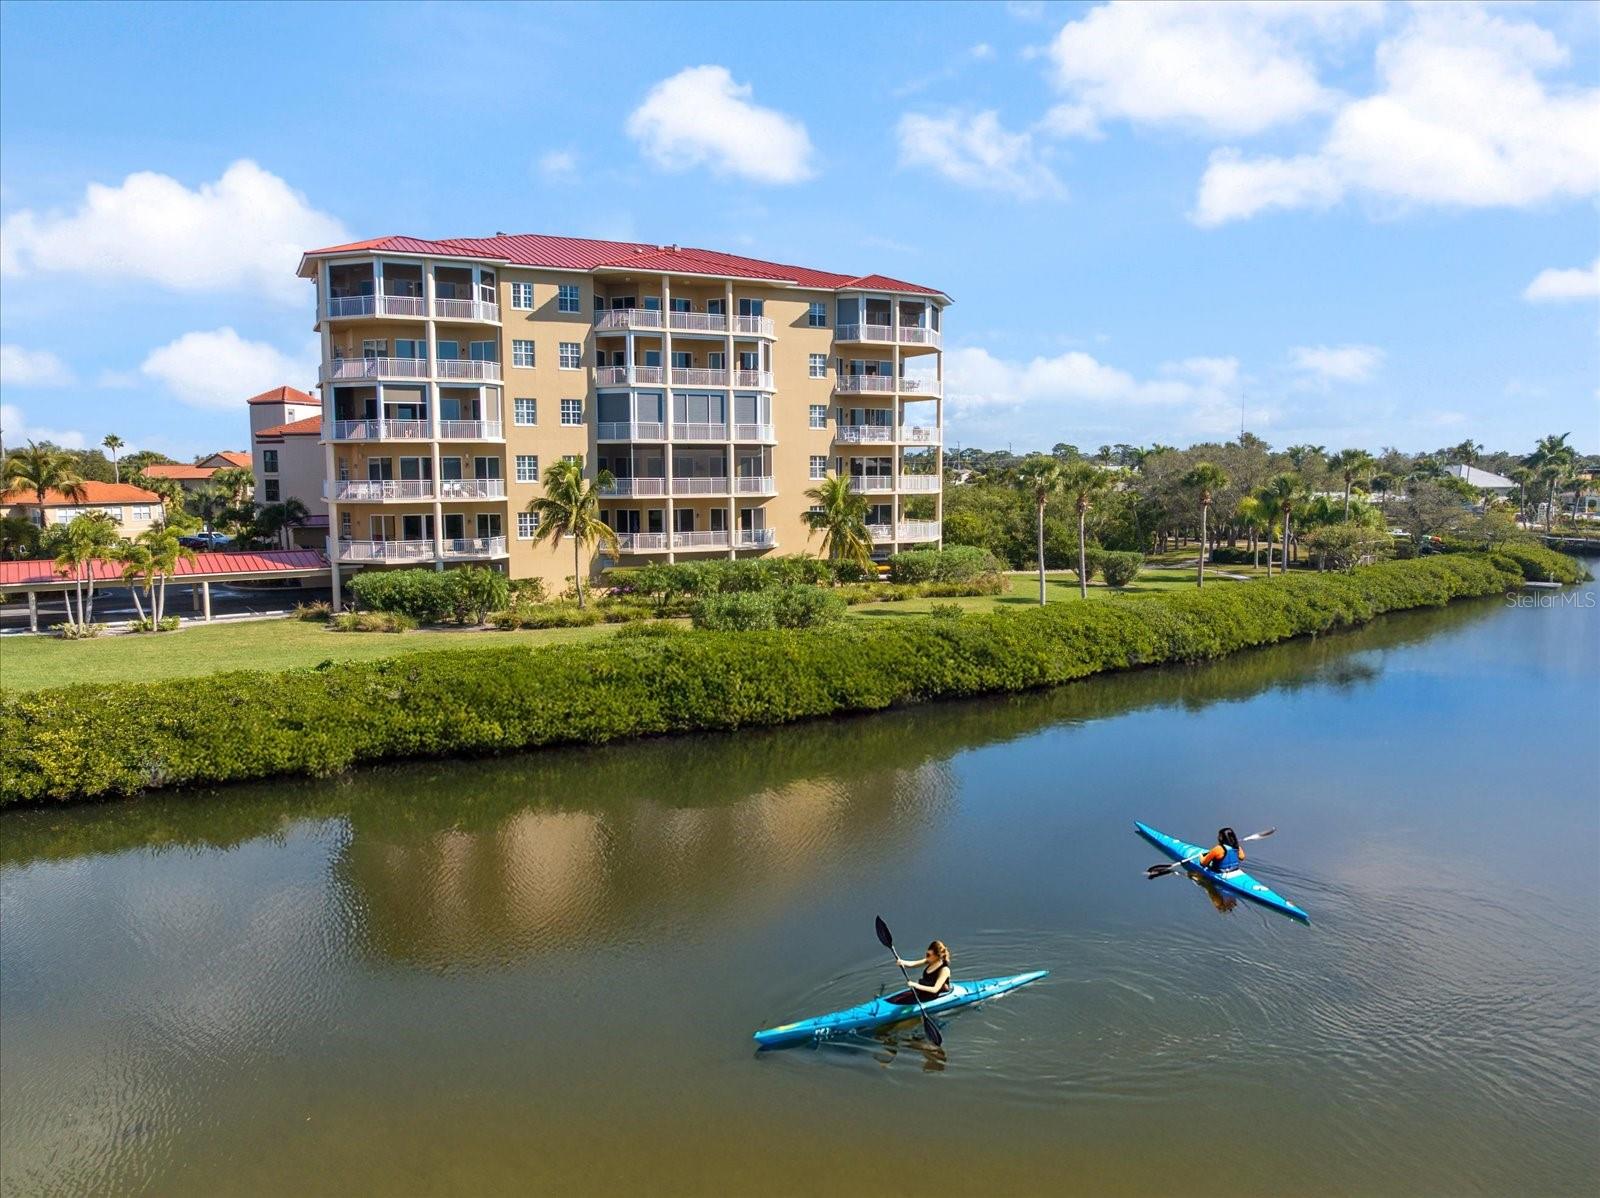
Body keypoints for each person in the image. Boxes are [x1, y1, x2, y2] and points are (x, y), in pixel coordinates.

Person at [888, 940, 952, 1005]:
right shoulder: (930, 960)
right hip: (923, 991)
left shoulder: (944, 970)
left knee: (901, 1002)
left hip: (932, 994)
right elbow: (914, 964)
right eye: (927, 954)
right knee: (893, 1000)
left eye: (928, 955)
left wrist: (916, 985)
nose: (926, 957)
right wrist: (902, 962)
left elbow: (935, 989)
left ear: (937, 956)